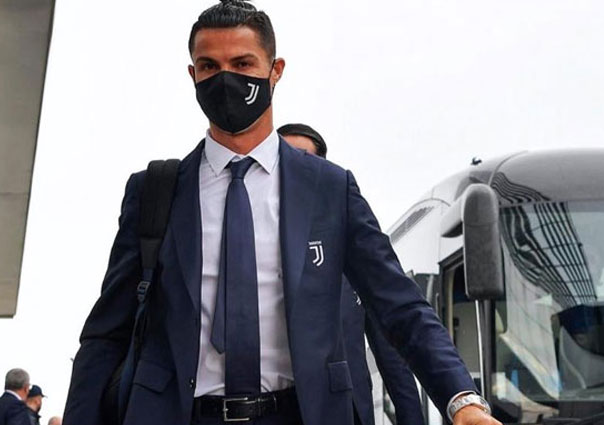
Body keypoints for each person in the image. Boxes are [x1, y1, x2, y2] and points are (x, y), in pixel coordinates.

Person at [63, 2, 500, 425]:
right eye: (210, 66)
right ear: (192, 75)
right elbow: (106, 333)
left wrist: (462, 401)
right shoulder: (154, 191)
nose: (226, 79)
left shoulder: (330, 189)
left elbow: (399, 305)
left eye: (243, 63)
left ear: (275, 70)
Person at [279, 123, 425, 425]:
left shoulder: (351, 250)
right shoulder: (249, 247)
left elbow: (391, 354)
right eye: (285, 157)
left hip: (349, 412)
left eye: (303, 157)